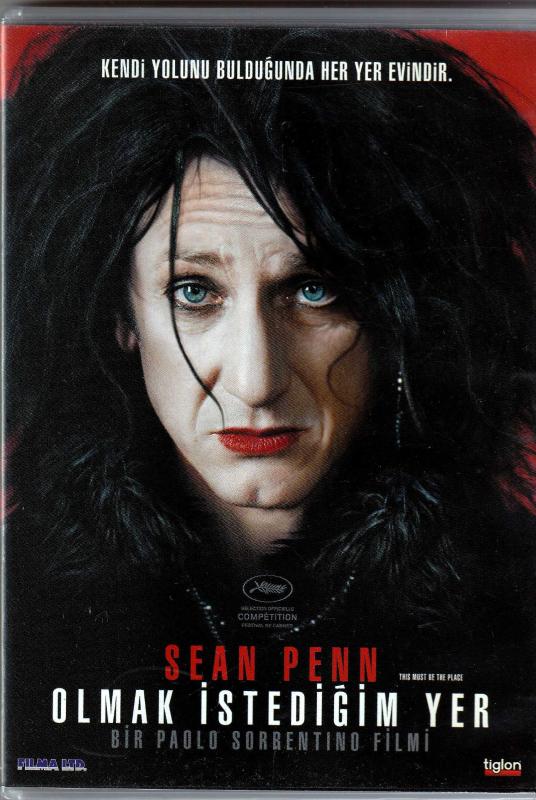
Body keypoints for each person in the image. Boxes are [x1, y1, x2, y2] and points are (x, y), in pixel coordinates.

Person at [6, 25, 535, 692]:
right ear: (120, 316)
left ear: (399, 314)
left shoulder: (515, 604)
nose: (257, 382)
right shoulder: (17, 604)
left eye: (314, 290)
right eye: (194, 291)